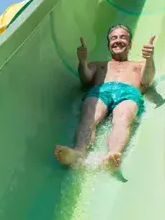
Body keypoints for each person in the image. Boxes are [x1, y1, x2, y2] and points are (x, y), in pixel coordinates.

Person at [55, 24, 156, 169]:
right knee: (90, 114)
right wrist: (82, 61)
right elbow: (86, 79)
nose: (118, 40)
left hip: (128, 93)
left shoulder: (139, 65)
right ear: (109, 45)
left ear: (130, 44)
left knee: (124, 116)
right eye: (113, 38)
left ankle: (113, 154)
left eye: (123, 37)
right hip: (100, 90)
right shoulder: (99, 65)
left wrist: (149, 59)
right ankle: (79, 151)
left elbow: (147, 80)